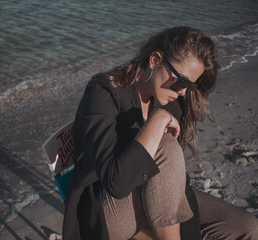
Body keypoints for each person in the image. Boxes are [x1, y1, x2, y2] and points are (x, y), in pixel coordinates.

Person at [62, 26, 258, 240]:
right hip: (105, 209)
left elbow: (172, 178)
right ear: (155, 60)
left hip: (153, 197)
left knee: (248, 227)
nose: (183, 91)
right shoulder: (104, 92)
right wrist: (156, 121)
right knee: (165, 145)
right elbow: (116, 183)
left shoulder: (170, 99)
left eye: (190, 85)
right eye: (181, 81)